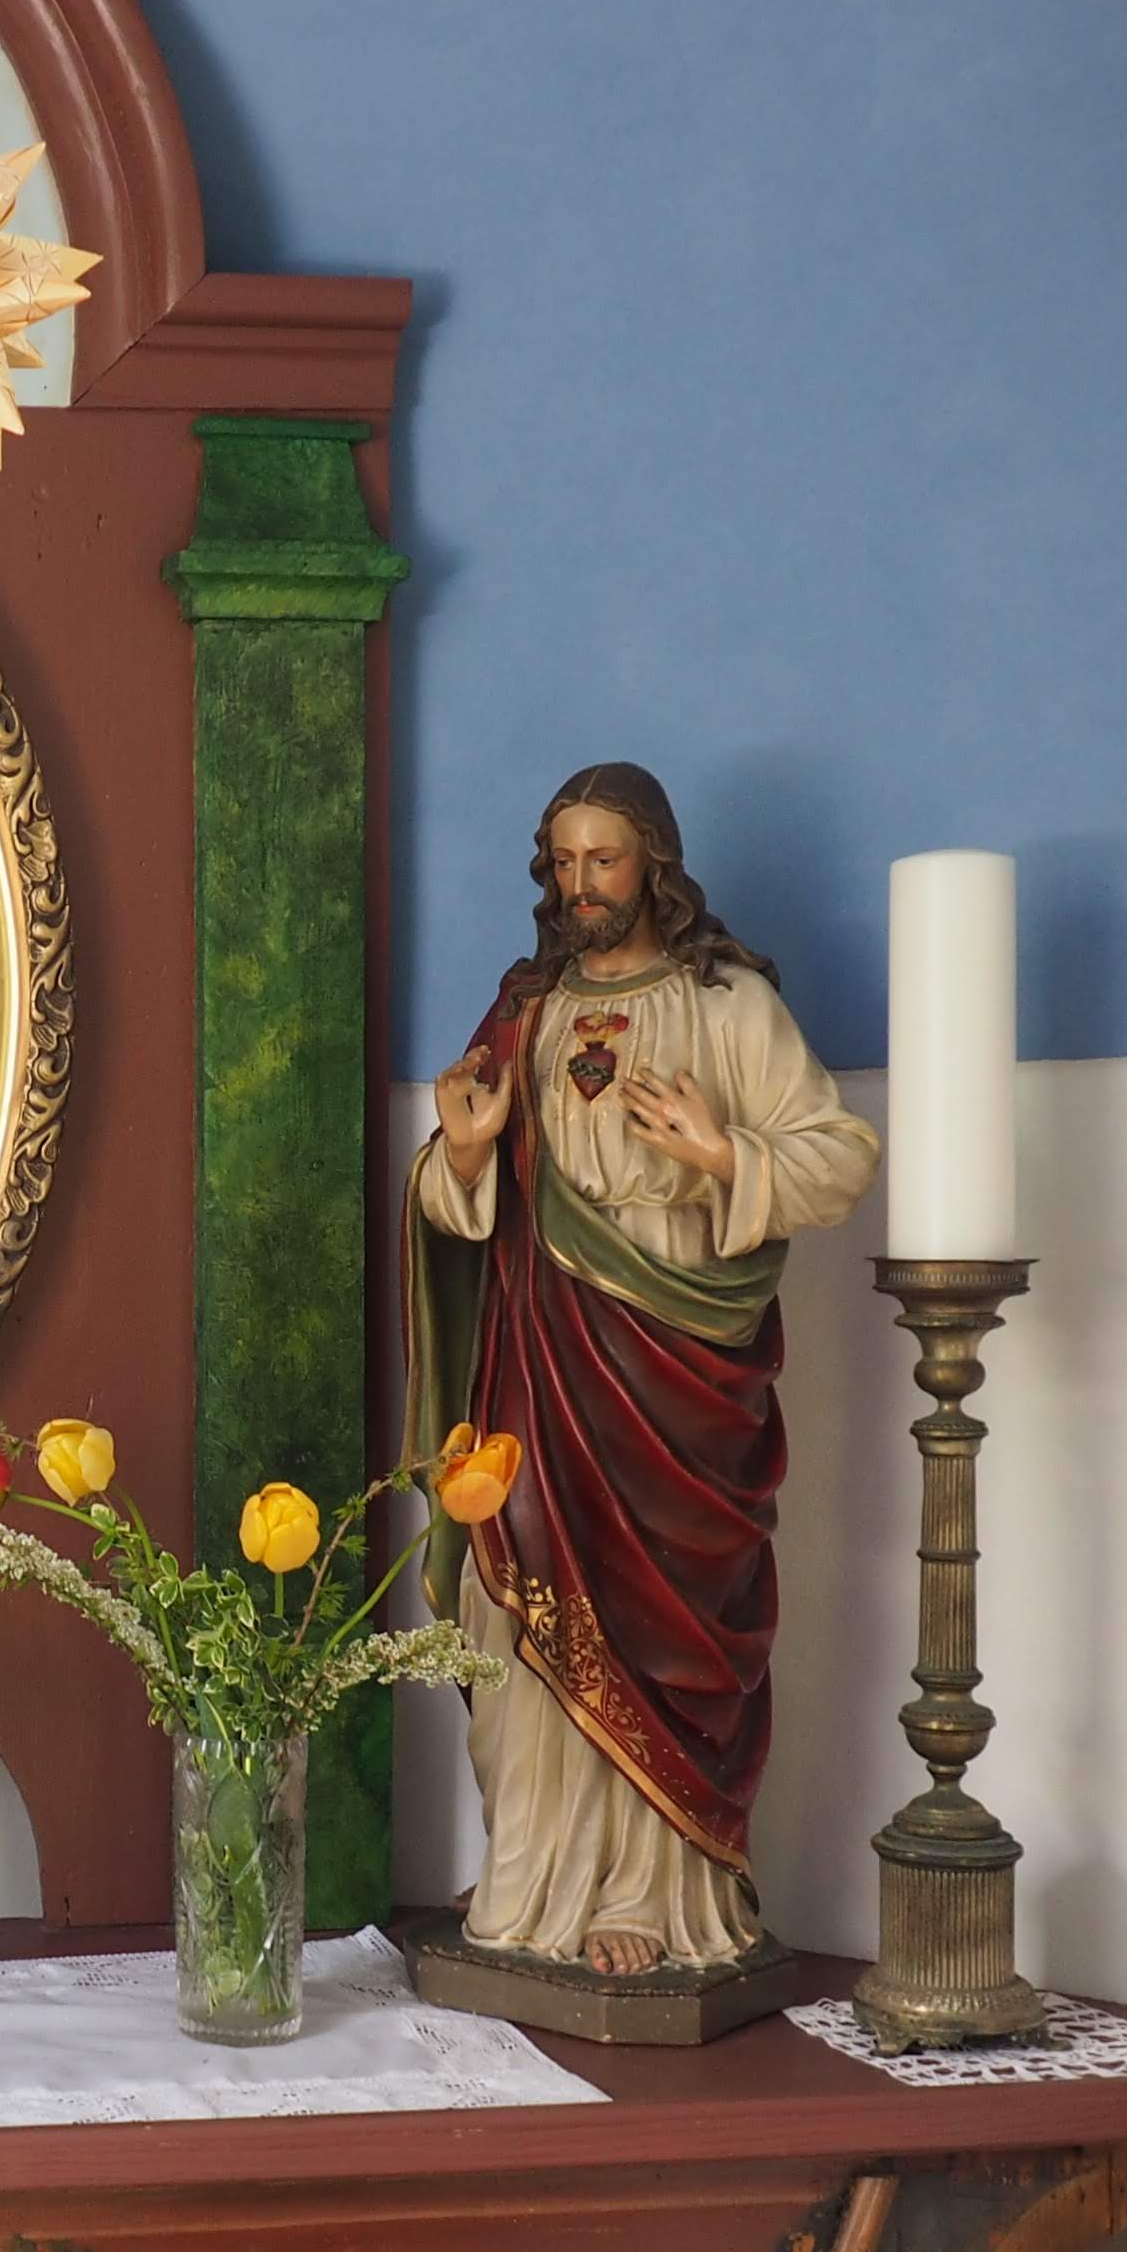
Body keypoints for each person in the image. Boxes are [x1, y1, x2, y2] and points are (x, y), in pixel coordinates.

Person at [407, 769, 877, 1977]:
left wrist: (724, 1153)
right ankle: (532, 1875)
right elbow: (449, 1192)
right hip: (538, 1361)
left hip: (676, 1378)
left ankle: (647, 1895)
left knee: (651, 1615)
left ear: (653, 863)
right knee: (517, 1604)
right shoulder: (525, 1011)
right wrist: (464, 1154)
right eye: (562, 863)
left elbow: (838, 1157)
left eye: (602, 860)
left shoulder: (727, 1005)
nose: (580, 886)